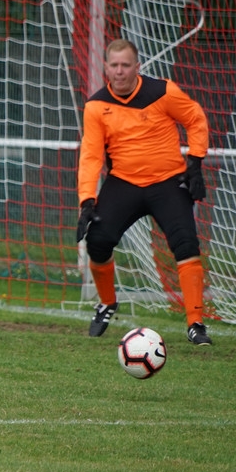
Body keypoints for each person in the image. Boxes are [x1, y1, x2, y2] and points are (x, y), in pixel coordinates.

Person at [77, 38, 213, 346]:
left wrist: (195, 163)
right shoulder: (96, 106)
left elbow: (195, 118)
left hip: (168, 182)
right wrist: (87, 200)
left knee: (186, 244)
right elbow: (91, 156)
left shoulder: (163, 91)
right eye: (114, 65)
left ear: (137, 67)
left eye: (126, 65)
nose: (120, 71)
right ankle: (107, 303)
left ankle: (195, 323)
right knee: (97, 241)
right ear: (105, 68)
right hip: (123, 182)